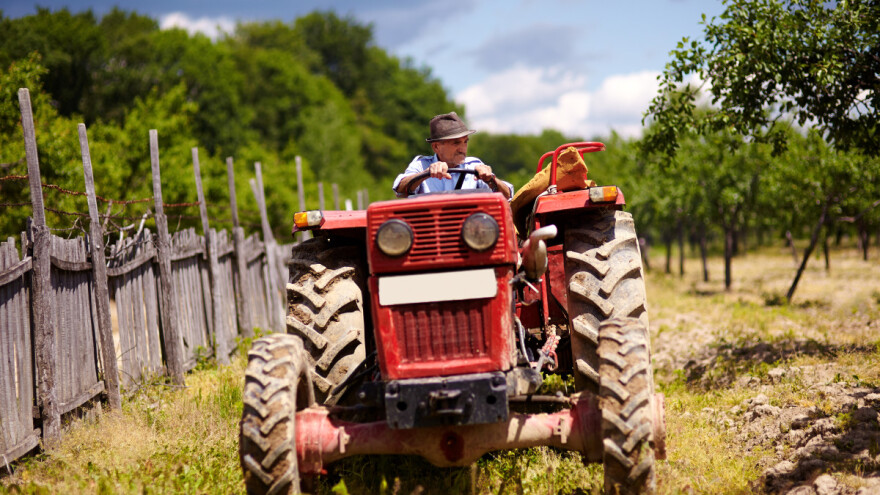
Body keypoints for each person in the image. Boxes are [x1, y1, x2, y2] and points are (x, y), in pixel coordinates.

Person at [393, 112, 513, 199]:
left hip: (468, 231)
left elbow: (507, 195)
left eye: (465, 142)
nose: (463, 149)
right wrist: (426, 173)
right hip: (430, 228)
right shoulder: (421, 165)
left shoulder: (474, 166)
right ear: (436, 147)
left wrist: (490, 180)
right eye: (456, 143)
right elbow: (399, 190)